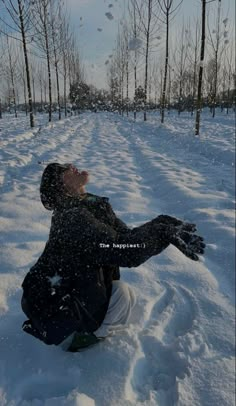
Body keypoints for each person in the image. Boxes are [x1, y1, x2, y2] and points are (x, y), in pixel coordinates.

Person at [21, 163, 205, 352]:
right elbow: (125, 250)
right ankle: (82, 337)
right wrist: (161, 233)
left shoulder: (90, 206)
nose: (71, 166)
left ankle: (84, 320)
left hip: (73, 287)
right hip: (60, 304)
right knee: (122, 297)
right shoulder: (72, 218)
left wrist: (162, 223)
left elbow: (126, 237)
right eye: (63, 169)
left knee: (122, 296)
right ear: (61, 187)